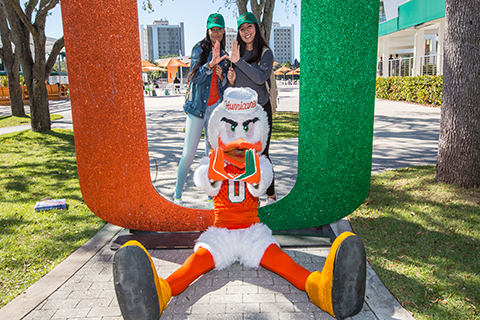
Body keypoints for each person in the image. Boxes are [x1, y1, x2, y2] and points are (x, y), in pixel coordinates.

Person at [112, 88, 367, 320]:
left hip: (252, 232)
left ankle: (323, 290)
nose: (239, 136)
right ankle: (158, 294)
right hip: (220, 233)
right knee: (196, 263)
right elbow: (202, 179)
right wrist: (216, 167)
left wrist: (251, 167)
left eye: (247, 128)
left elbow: (264, 179)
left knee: (282, 262)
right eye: (232, 128)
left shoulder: (259, 161)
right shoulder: (213, 159)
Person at [172, 13, 229, 207]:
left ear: (223, 31)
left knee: (211, 156)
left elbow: (225, 88)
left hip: (215, 109)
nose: (216, 33)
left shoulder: (225, 53)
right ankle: (177, 196)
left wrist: (222, 78)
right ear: (207, 30)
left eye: (219, 29)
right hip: (197, 108)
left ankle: (211, 197)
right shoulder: (199, 48)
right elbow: (194, 77)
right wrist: (210, 64)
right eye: (213, 29)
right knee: (188, 154)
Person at [225, 12, 277, 205]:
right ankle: (249, 198)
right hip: (241, 114)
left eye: (249, 26)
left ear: (257, 28)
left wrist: (238, 61)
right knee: (243, 155)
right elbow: (231, 88)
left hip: (261, 111)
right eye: (242, 28)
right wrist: (230, 82)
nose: (246, 31)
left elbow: (260, 78)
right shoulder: (236, 55)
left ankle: (271, 196)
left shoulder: (265, 53)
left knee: (262, 154)